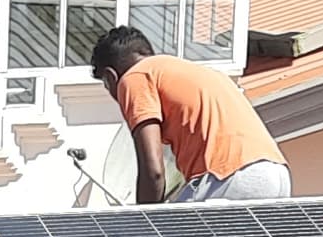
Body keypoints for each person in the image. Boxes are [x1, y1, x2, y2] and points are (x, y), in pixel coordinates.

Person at [90, 25, 289, 205]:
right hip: (277, 175)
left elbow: (154, 172)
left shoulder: (134, 77)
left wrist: (144, 223)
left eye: (107, 87)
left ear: (111, 76)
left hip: (228, 177)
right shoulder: (201, 72)